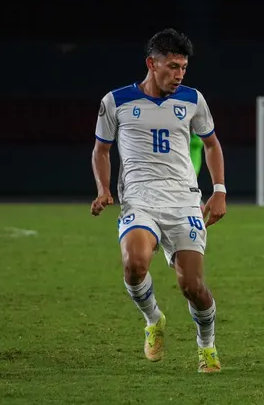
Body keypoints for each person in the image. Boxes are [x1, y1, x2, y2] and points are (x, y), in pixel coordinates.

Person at [90, 28, 227, 373]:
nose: (179, 74)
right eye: (172, 66)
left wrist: (220, 190)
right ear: (152, 63)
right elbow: (101, 151)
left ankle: (206, 347)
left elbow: (211, 144)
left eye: (183, 67)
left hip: (183, 202)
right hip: (139, 200)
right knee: (134, 264)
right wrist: (103, 189)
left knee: (192, 286)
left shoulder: (193, 100)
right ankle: (154, 320)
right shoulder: (116, 101)